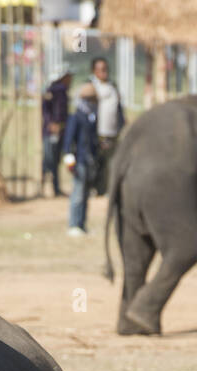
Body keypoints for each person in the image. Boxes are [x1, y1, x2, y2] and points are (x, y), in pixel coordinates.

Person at [63, 83, 99, 237]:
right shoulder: (76, 117)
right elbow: (68, 141)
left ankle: (82, 224)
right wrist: (70, 160)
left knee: (85, 195)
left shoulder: (92, 117)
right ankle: (73, 224)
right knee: (77, 193)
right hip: (79, 160)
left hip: (90, 161)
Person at [90, 57, 125, 196]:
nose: (104, 72)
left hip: (113, 132)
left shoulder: (112, 86)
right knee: (96, 161)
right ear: (94, 71)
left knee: (111, 163)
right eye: (100, 69)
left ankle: (109, 188)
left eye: (105, 69)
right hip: (98, 132)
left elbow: (119, 108)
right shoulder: (91, 86)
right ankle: (95, 188)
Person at [41, 70, 72, 197]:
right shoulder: (55, 90)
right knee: (49, 160)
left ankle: (56, 188)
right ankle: (44, 186)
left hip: (61, 131)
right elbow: (46, 110)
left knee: (56, 160)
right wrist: (51, 124)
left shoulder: (63, 91)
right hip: (51, 132)